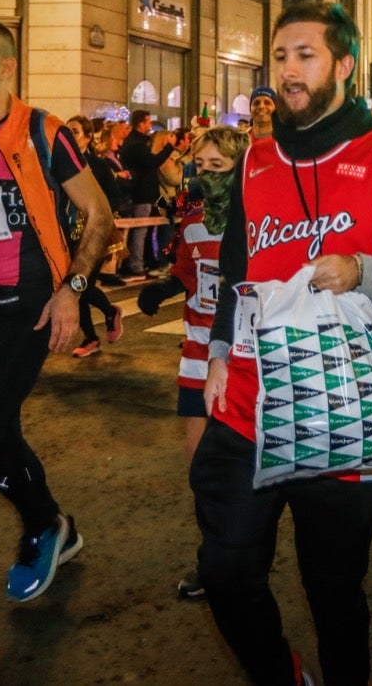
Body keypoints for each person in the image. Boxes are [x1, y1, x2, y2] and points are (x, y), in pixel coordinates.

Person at [195, 0, 372, 686]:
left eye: (304, 55)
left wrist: (365, 272)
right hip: (245, 405)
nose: (288, 71)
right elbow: (234, 271)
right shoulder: (253, 161)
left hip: (339, 413)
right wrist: (219, 352)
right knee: (224, 572)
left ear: (344, 65)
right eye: (279, 57)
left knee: (334, 596)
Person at [0, 18, 114, 602]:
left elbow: (101, 216)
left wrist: (72, 292)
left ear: (6, 67)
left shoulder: (42, 131)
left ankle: (45, 524)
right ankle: (55, 528)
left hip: (32, 307)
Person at [136, 124, 248, 599]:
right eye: (199, 166)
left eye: (216, 167)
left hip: (244, 361)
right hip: (197, 356)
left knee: (244, 469)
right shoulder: (195, 220)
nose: (204, 176)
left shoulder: (259, 223)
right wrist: (165, 287)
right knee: (200, 468)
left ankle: (243, 554)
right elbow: (187, 269)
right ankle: (214, 557)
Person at [64, 115, 123, 358]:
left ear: (88, 137)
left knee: (81, 285)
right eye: (67, 133)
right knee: (74, 286)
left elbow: (116, 196)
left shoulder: (98, 166)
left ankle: (106, 316)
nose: (70, 137)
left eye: (75, 132)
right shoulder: (57, 164)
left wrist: (97, 215)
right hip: (67, 237)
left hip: (95, 236)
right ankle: (93, 334)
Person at [118, 109, 177, 279]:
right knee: (140, 230)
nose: (150, 126)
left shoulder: (139, 142)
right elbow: (152, 162)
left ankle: (147, 260)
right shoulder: (136, 144)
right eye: (148, 122)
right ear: (141, 124)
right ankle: (136, 264)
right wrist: (168, 148)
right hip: (141, 192)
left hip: (146, 192)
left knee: (147, 228)